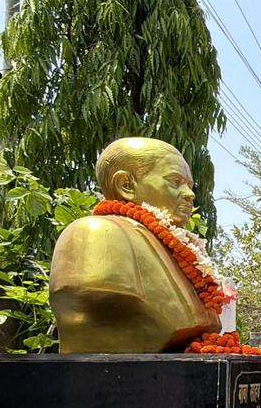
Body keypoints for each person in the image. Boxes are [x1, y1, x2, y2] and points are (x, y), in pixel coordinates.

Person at [51, 137, 220, 352]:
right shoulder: (95, 233)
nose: (190, 194)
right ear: (126, 185)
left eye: (189, 185)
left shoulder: (180, 248)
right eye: (175, 182)